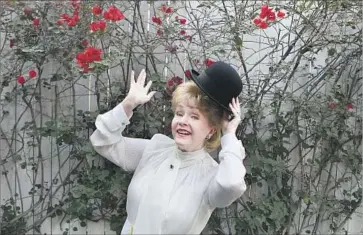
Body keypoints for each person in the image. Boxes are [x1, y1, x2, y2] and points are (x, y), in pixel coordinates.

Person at [90, 61, 247, 234]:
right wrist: (127, 105)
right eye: (179, 114)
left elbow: (231, 185)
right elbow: (103, 142)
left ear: (211, 130)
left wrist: (230, 134)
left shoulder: (211, 175)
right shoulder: (155, 148)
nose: (182, 121)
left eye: (194, 117)